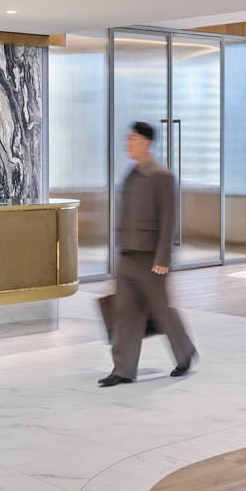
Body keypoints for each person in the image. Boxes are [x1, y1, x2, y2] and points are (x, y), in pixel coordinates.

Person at [99, 121, 197, 386]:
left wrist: (163, 258)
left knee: (161, 310)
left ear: (147, 143)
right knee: (125, 313)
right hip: (128, 254)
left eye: (133, 139)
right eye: (128, 139)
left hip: (151, 258)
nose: (128, 144)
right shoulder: (132, 174)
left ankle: (185, 351)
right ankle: (123, 369)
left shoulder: (161, 175)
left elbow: (168, 219)